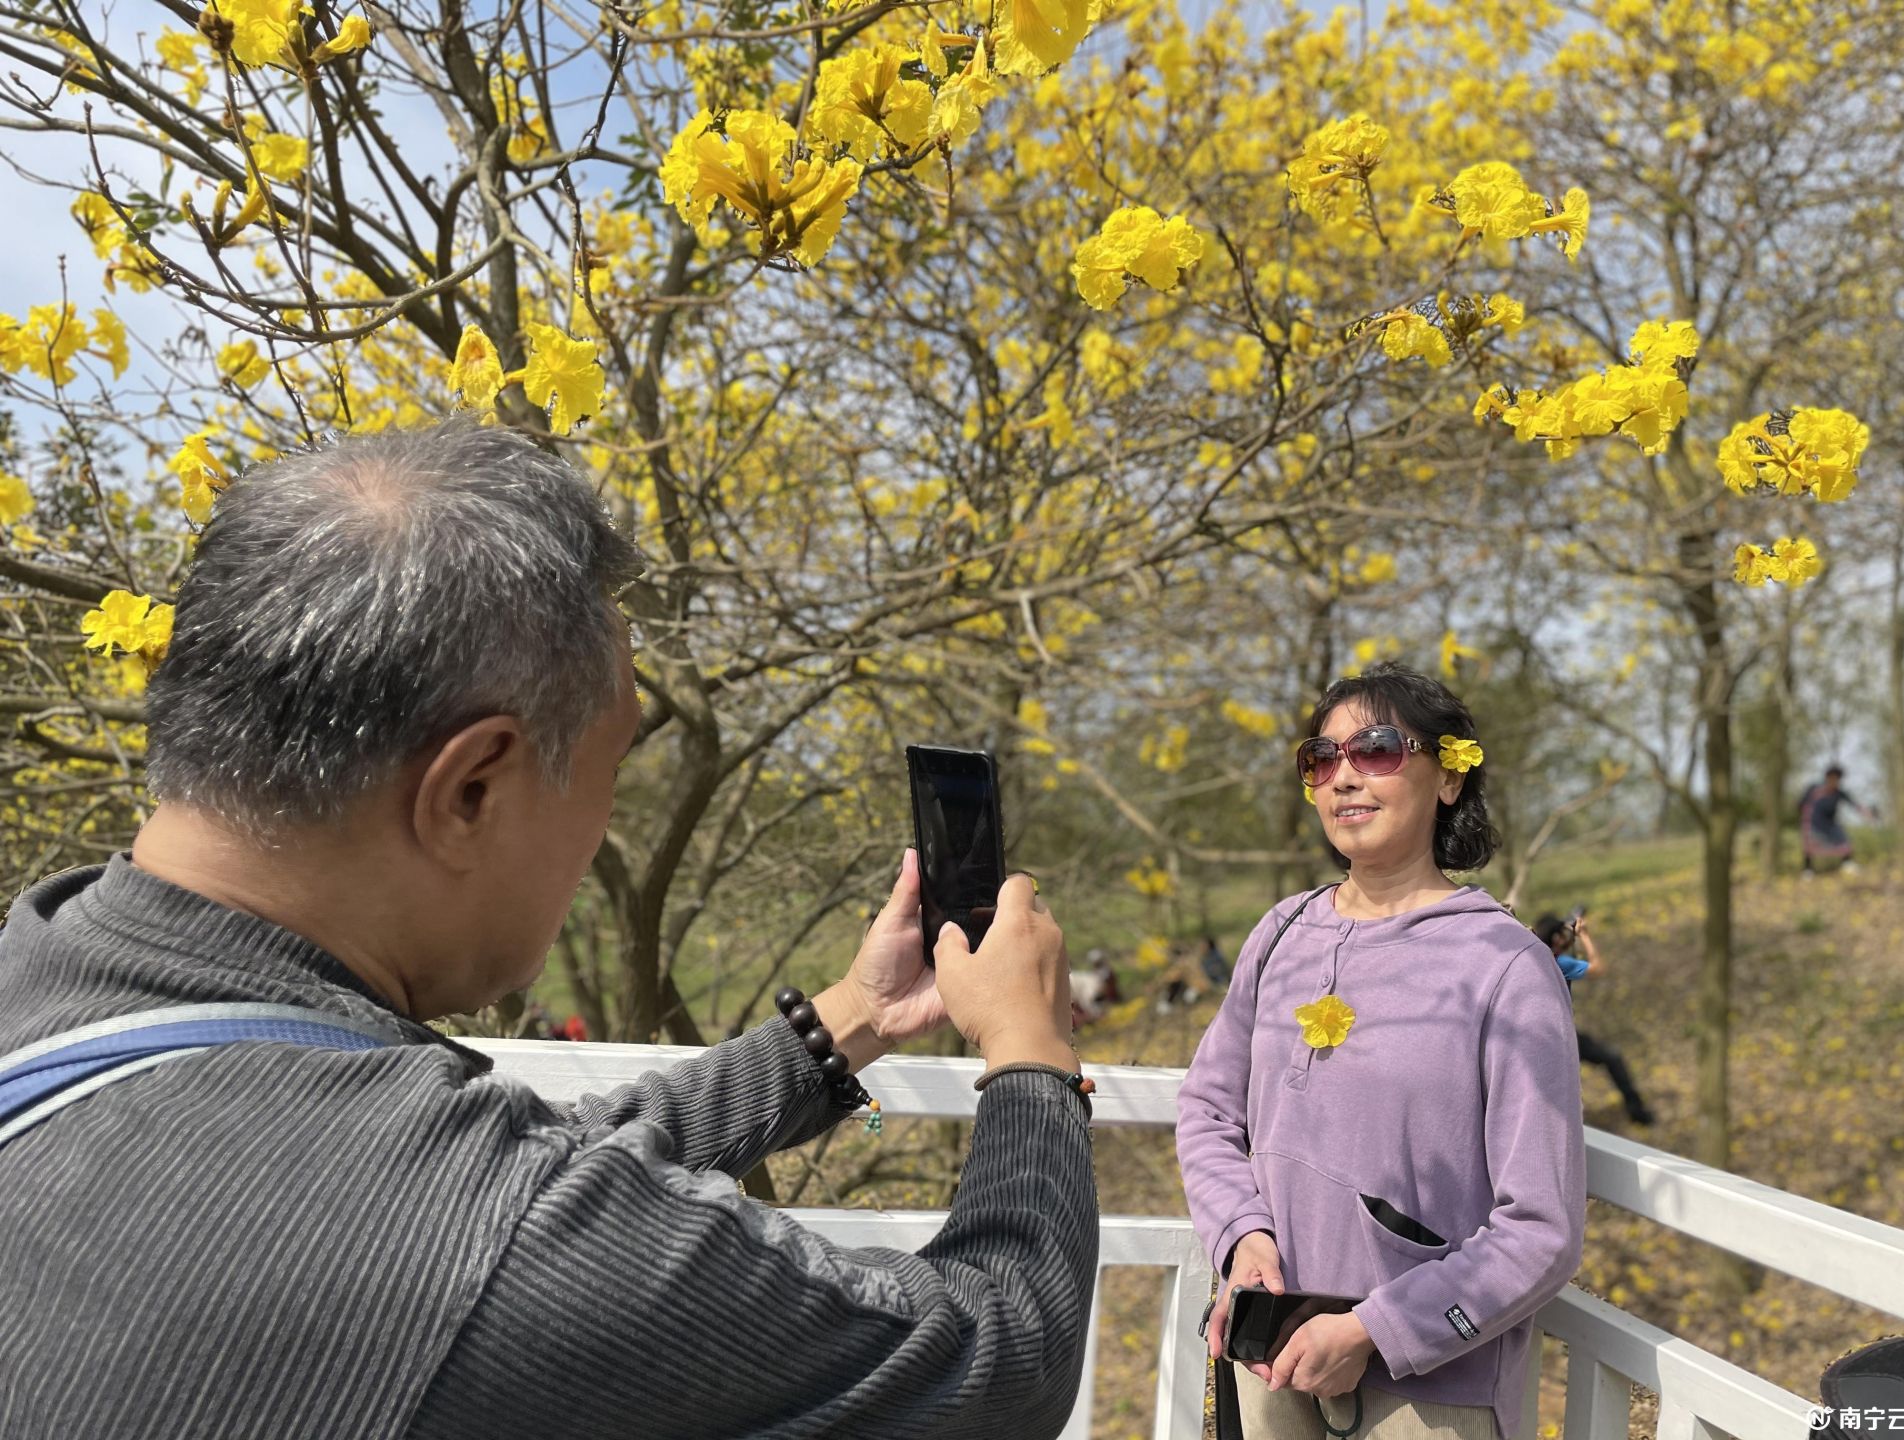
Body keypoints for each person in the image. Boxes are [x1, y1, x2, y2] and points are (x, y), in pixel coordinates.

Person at [0, 422, 1096, 1440]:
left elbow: (521, 1178)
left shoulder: (47, 959)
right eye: (612, 763)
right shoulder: (478, 1244)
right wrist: (1032, 1065)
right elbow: (1003, 1358)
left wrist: (844, 1024)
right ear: (471, 788)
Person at [1177, 662, 1585, 1440]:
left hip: (1428, 1394)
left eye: (1379, 750)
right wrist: (1242, 1234)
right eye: (1322, 759)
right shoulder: (1282, 933)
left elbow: (1542, 1227)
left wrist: (1376, 1331)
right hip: (1271, 1355)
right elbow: (1206, 1106)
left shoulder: (1503, 966)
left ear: (1449, 779)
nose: (1344, 777)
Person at [1530, 912, 1656, 1127]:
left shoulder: (1532, 961)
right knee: (1612, 1058)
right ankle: (1637, 1111)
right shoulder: (1560, 963)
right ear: (1556, 939)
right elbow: (1598, 968)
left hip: (1537, 1036)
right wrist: (1585, 935)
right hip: (1560, 1037)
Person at [1798, 765, 1879, 878]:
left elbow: (1854, 805)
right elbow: (1801, 803)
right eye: (1832, 778)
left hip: (1830, 824)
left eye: (1837, 778)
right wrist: (1805, 816)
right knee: (1809, 846)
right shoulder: (1814, 789)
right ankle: (1807, 870)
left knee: (1844, 839)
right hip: (1813, 823)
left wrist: (1868, 814)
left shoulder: (1839, 793)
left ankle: (1847, 863)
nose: (1834, 781)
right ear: (1826, 778)